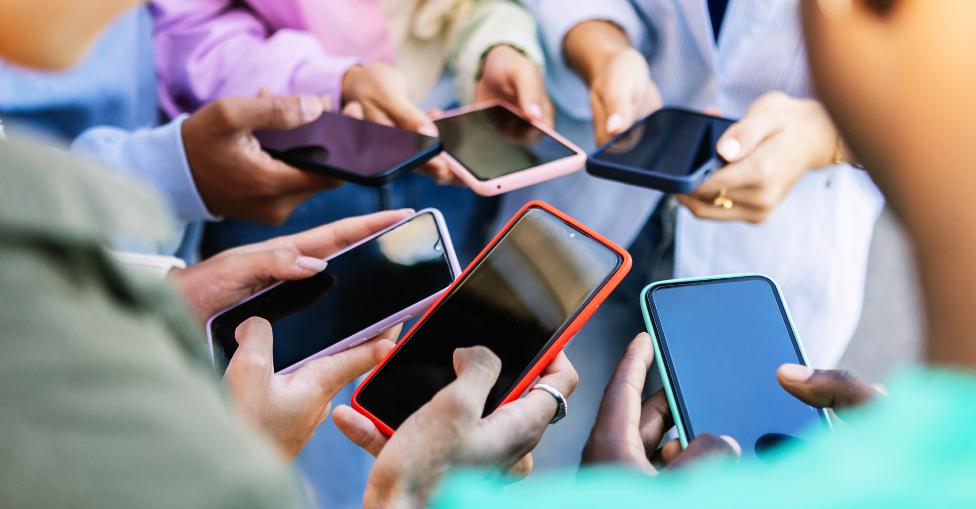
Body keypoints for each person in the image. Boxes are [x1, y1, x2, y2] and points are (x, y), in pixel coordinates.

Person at [327, 0, 976, 506]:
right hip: (593, 200)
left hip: (777, 242)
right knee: (532, 418)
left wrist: (825, 136)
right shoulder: (899, 466)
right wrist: (604, 48)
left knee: (726, 431)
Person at [149, 2, 555, 502]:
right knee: (312, 439)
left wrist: (496, 41)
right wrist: (336, 81)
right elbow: (191, 30)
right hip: (296, 167)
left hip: (452, 153)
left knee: (444, 410)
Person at [495, 0, 885, 467]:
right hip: (594, 213)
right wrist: (602, 49)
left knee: (737, 469)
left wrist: (830, 136)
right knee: (541, 451)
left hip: (773, 252)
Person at [0, 7, 343, 258]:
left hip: (164, 257)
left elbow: (187, 20)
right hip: (64, 276)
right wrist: (175, 176)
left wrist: (324, 81)